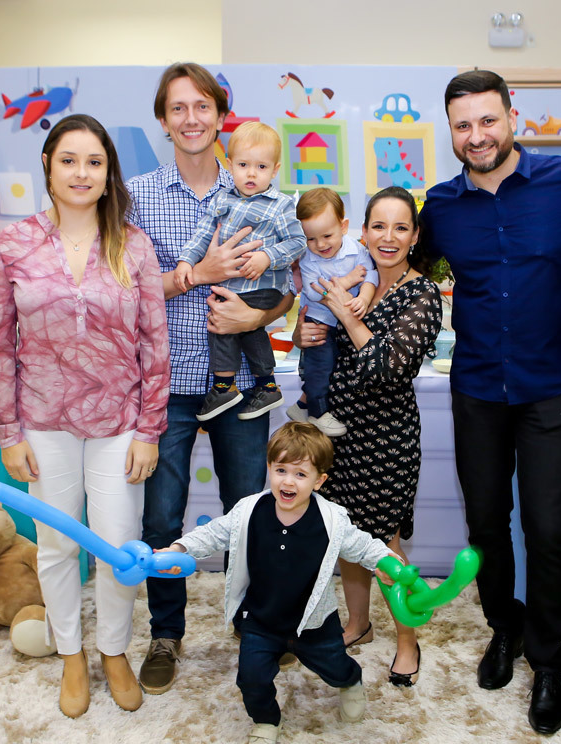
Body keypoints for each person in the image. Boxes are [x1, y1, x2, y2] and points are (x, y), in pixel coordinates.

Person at [418, 70, 561, 734]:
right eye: (463, 125)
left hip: (553, 386)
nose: (477, 136)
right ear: (451, 131)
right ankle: (504, 627)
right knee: (486, 523)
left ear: (511, 116)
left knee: (549, 528)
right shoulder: (440, 207)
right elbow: (408, 268)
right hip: (476, 388)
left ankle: (548, 659)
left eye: (487, 120)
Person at [0, 113, 169, 718]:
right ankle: (70, 653)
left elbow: (154, 344)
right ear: (48, 165)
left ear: (109, 171)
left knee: (119, 548)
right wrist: (8, 432)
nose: (81, 173)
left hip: (120, 423)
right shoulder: (15, 243)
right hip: (43, 421)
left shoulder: (133, 244)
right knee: (58, 546)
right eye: (69, 160)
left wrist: (149, 429)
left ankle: (113, 651)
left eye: (94, 162)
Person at [127, 63, 295, 695]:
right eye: (178, 108)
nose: (191, 118)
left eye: (202, 106)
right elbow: (127, 288)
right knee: (161, 517)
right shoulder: (138, 196)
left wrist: (259, 315)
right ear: (163, 120)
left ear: (221, 117)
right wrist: (196, 275)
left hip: (241, 385)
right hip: (165, 383)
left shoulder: (258, 185)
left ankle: (255, 625)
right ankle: (166, 633)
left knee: (249, 511)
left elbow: (287, 285)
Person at [163, 421, 396, 744]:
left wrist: (385, 560)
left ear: (319, 481)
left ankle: (351, 681)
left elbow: (363, 545)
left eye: (300, 474)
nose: (288, 481)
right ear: (269, 468)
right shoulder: (249, 511)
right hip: (261, 620)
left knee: (335, 667)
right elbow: (213, 533)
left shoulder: (331, 519)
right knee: (251, 678)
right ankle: (266, 721)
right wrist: (180, 548)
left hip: (313, 623)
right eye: (281, 470)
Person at [295, 186, 442, 688]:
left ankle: (407, 640)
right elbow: (317, 340)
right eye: (379, 225)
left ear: (415, 236)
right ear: (362, 231)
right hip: (338, 435)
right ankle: (358, 622)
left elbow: (386, 369)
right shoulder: (351, 276)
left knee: (384, 545)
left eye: (401, 227)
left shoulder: (422, 295)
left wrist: (345, 314)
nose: (388, 236)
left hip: (386, 440)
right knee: (345, 536)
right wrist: (306, 332)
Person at [173, 122, 306, 422]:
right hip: (235, 287)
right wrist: (186, 261)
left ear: (275, 170)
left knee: (230, 323)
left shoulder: (280, 205)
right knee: (229, 323)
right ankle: (261, 385)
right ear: (230, 165)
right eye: (244, 165)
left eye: (261, 167)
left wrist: (267, 257)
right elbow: (203, 234)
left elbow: (298, 242)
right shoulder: (222, 199)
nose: (251, 174)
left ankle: (227, 385)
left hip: (264, 284)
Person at [287, 187, 378, 436]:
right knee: (320, 367)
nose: (320, 244)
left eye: (327, 235)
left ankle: (302, 406)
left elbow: (370, 275)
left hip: (344, 323)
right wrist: (347, 281)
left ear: (344, 226)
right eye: (311, 239)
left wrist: (365, 297)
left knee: (335, 367)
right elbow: (314, 291)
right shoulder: (307, 258)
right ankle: (317, 413)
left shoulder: (357, 250)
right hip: (318, 321)